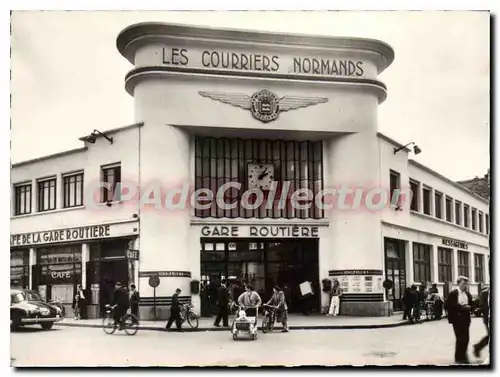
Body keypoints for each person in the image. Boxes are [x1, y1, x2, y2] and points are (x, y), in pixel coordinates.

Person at [444, 276, 473, 364]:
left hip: (466, 319)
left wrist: (471, 307)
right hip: (457, 319)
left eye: (467, 284)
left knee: (466, 339)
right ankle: (459, 358)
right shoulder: (453, 294)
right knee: (460, 338)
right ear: (458, 283)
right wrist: (462, 307)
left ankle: (463, 355)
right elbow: (448, 305)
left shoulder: (468, 294)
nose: (465, 286)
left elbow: (471, 304)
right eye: (464, 283)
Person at [473, 286, 490, 359]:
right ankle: (478, 347)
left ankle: (478, 346)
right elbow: (482, 305)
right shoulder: (484, 293)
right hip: (488, 317)